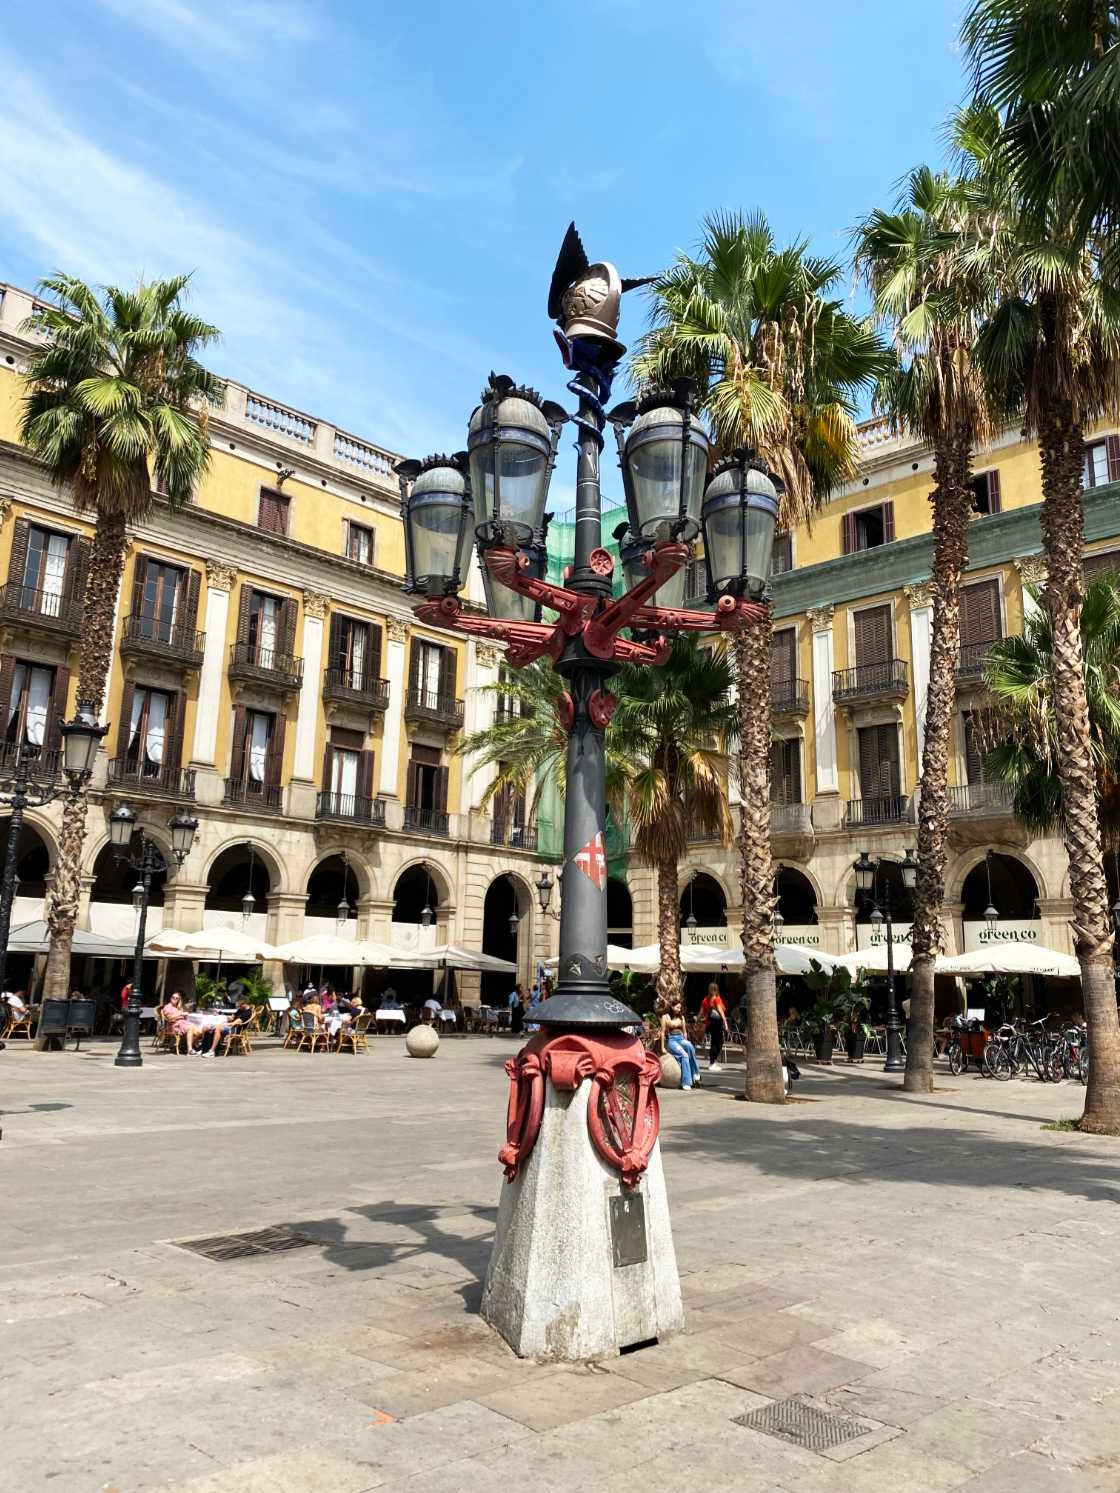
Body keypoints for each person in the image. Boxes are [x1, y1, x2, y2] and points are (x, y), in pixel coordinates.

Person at [660, 999, 701, 1090]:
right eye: (677, 1007)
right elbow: (662, 1033)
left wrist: (686, 1042)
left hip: (681, 1038)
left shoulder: (681, 1017)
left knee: (690, 1046)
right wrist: (662, 1047)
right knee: (684, 1055)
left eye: (680, 1008)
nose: (679, 1009)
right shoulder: (665, 1017)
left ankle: (695, 1073)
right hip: (672, 1040)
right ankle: (686, 1082)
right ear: (672, 1007)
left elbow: (685, 1032)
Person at [699, 982, 728, 1072]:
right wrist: (725, 1022)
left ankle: (712, 1062)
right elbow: (720, 1011)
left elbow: (701, 1012)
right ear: (716, 990)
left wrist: (697, 1021)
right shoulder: (716, 999)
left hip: (710, 1023)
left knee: (714, 1042)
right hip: (717, 1023)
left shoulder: (705, 1000)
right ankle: (712, 1063)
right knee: (718, 1043)